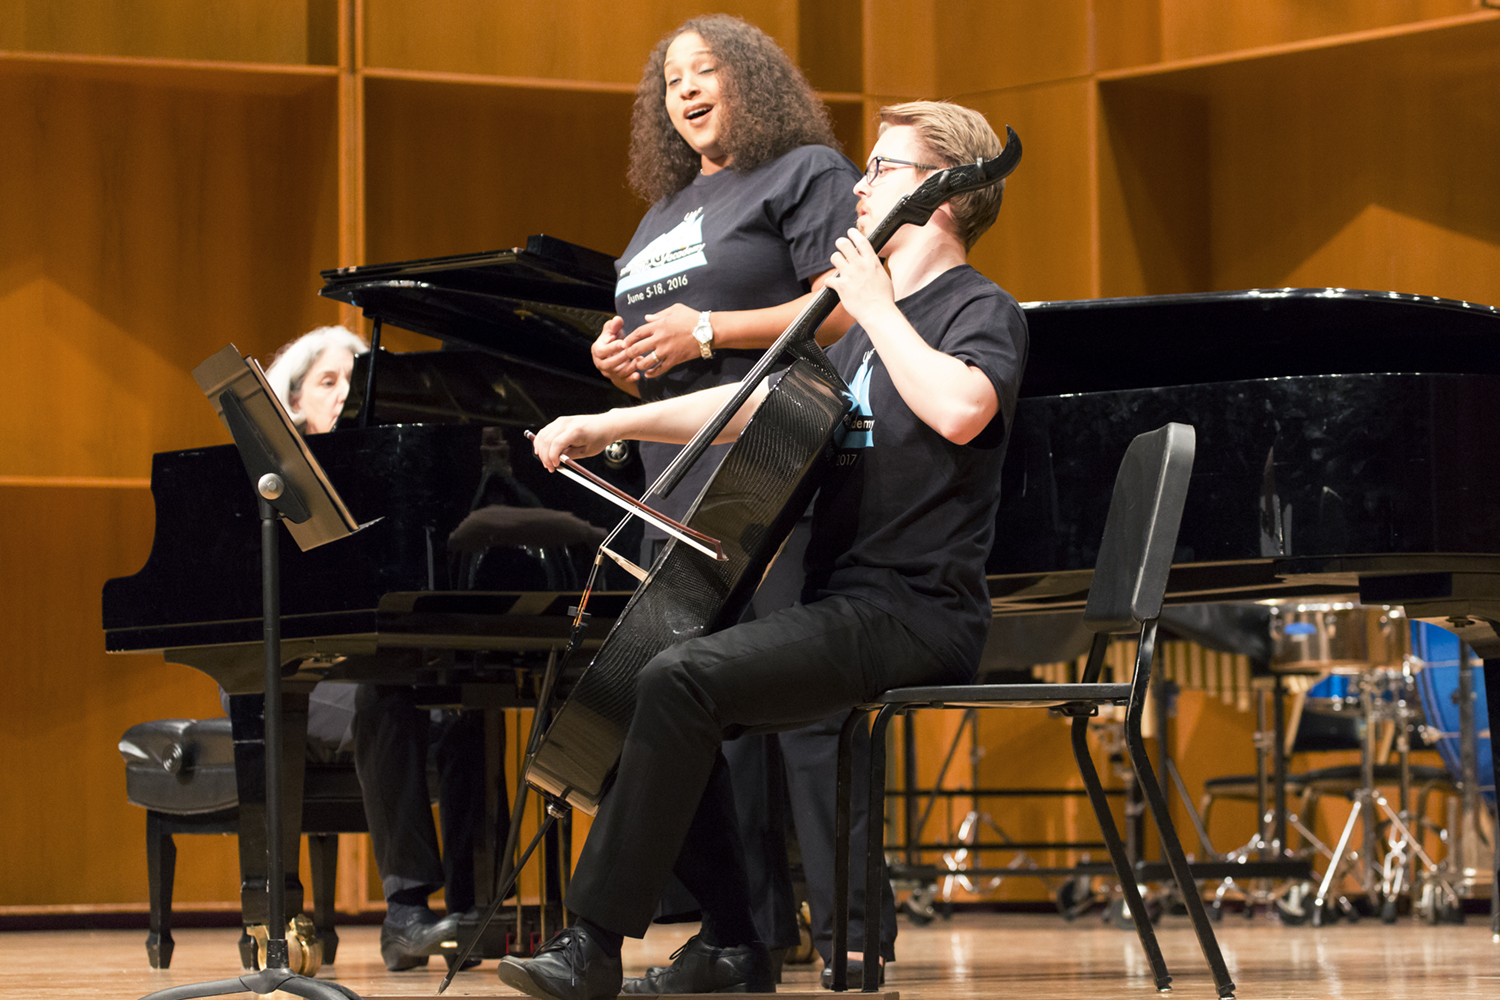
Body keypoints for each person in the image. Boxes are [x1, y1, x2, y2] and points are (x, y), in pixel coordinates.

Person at [500, 100, 1026, 1000]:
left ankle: (591, 945)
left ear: (940, 198)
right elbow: (750, 407)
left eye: (884, 170)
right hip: (844, 605)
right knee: (647, 676)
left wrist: (875, 308)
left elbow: (962, 408)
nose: (861, 187)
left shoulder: (979, 309)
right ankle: (735, 939)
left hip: (916, 612)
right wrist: (608, 421)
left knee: (682, 680)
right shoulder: (864, 331)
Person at [591, 14, 898, 982]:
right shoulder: (663, 214)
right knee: (705, 716)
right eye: (669, 79)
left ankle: (853, 925)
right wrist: (624, 351)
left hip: (780, 469)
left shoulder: (803, 171)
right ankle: (749, 935)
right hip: (678, 492)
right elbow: (666, 339)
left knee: (803, 711)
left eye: (705, 70)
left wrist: (706, 326)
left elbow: (846, 305)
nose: (684, 89)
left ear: (750, 82)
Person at [263, 326, 487, 972]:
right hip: (296, 673)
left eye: (355, 384)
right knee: (385, 690)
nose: (343, 396)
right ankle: (407, 913)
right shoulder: (276, 485)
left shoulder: (406, 482)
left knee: (463, 704)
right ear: (296, 403)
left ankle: (473, 913)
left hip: (382, 665)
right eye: (327, 383)